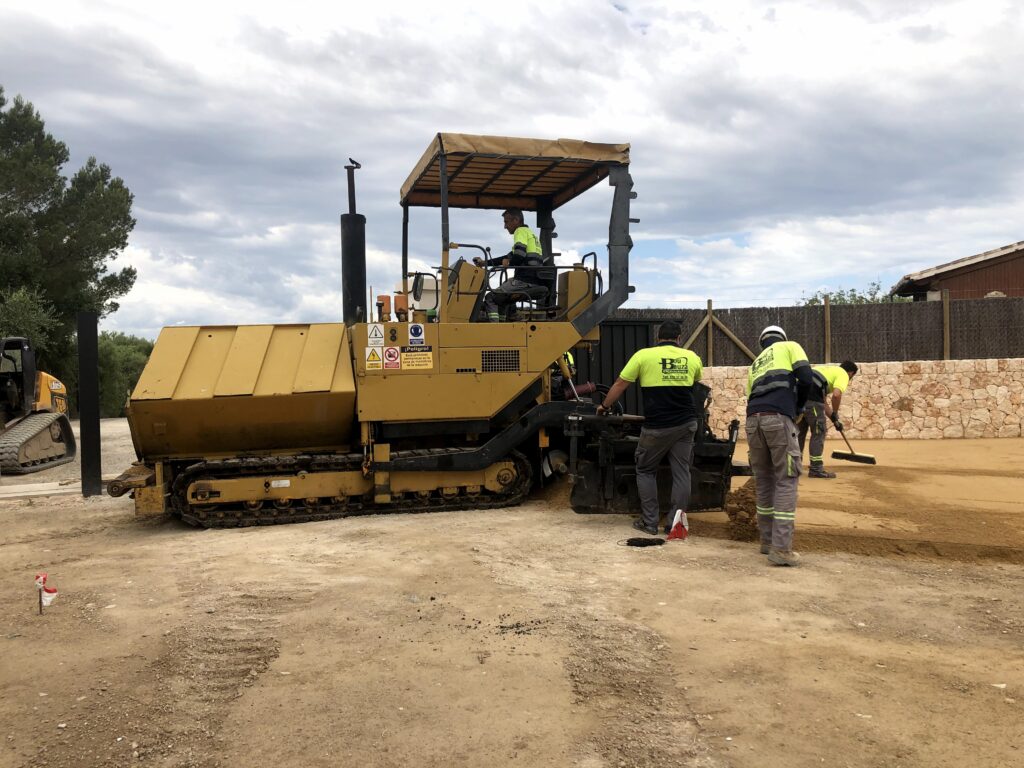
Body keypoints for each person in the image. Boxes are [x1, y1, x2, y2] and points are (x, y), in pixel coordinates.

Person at [597, 321, 704, 536]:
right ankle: (677, 526)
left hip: (657, 427)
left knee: (645, 469)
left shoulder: (643, 356)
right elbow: (696, 386)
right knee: (682, 473)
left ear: (658, 337)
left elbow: (619, 384)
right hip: (686, 424)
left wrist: (604, 406)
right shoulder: (692, 358)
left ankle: (649, 522)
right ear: (679, 338)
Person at [745, 325, 814, 566]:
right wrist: (799, 406)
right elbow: (806, 378)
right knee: (786, 478)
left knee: (764, 480)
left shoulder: (755, 364)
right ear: (781, 338)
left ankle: (766, 542)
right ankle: (782, 549)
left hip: (753, 422)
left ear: (762, 342)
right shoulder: (790, 346)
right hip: (778, 419)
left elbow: (751, 395)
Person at [473, 208, 551, 321]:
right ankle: (503, 324)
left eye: (506, 222)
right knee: (503, 299)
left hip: (524, 281)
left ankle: (494, 329)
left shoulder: (520, 231)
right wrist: (484, 263)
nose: (505, 226)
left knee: (490, 297)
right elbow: (507, 257)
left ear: (516, 220)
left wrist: (509, 263)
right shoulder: (530, 235)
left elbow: (518, 256)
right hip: (534, 279)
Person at [798, 360, 859, 478]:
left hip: (798, 398)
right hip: (812, 399)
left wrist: (834, 419)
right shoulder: (843, 374)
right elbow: (836, 395)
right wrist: (835, 412)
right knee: (818, 431)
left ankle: (794, 466)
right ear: (851, 373)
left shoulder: (826, 372)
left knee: (799, 432)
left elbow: (823, 402)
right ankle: (816, 468)